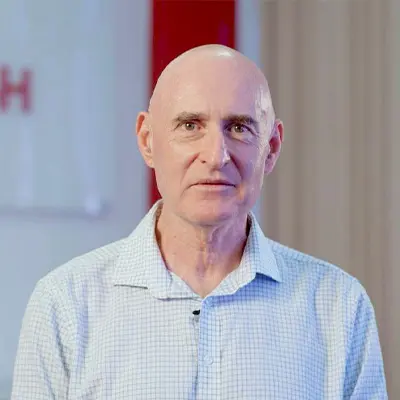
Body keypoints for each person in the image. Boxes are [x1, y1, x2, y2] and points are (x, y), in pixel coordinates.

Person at [11, 45, 387, 399]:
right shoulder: (65, 304)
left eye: (238, 128)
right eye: (190, 126)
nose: (215, 155)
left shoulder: (338, 307)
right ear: (147, 140)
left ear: (271, 148)